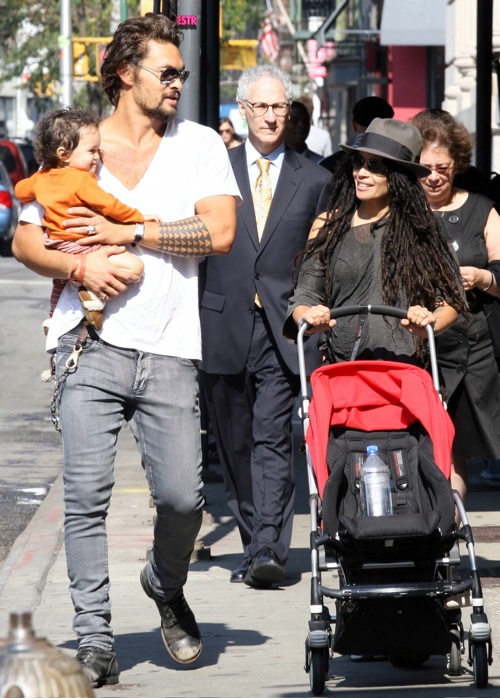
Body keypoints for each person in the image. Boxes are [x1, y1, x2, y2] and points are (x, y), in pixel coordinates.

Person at [12, 12, 240, 688]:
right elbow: (27, 239)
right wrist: (80, 269)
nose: (178, 82)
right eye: (165, 72)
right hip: (90, 346)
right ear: (123, 73)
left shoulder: (197, 143)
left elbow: (221, 231)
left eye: (181, 73)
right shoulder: (81, 146)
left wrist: (134, 232)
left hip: (171, 347)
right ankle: (94, 642)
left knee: (181, 499)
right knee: (85, 498)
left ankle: (164, 584)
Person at [199, 64, 331, 588]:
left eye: (280, 107)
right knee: (234, 443)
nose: (272, 116)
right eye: (261, 106)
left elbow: (321, 256)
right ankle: (256, 540)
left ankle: (269, 550)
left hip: (283, 325)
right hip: (222, 320)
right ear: (242, 111)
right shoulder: (214, 170)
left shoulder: (317, 177)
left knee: (273, 437)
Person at [283, 118, 467, 376]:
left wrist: (431, 321)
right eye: (358, 162)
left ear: (400, 175)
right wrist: (309, 318)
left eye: (375, 165)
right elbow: (304, 296)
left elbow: (451, 301)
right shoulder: (327, 225)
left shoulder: (425, 230)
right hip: (341, 374)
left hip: (405, 372)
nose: (362, 173)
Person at [410, 108, 500, 496]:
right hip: (419, 347)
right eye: (425, 167)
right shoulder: (401, 211)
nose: (433, 176)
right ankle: (447, 538)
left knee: (472, 444)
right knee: (441, 450)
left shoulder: (482, 208)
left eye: (442, 168)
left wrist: (484, 278)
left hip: (478, 350)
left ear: (458, 164)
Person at [15, 107, 148, 331]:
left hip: (56, 243)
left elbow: (20, 191)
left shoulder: (41, 177)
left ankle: (52, 317)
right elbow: (110, 205)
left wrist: (39, 181)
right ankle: (95, 296)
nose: (97, 156)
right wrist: (138, 218)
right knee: (135, 268)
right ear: (63, 154)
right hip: (82, 243)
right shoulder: (82, 180)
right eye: (91, 151)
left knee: (59, 283)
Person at [321, 95, 394, 174]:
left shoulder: (328, 165)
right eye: (357, 162)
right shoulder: (398, 164)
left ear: (354, 124)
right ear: (390, 126)